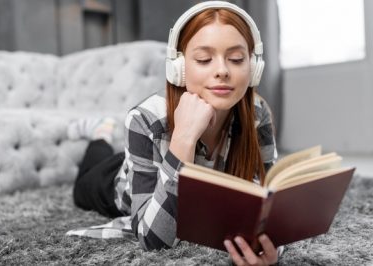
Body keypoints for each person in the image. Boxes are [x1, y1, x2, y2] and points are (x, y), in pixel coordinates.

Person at [70, 1, 280, 265]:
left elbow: (268, 202)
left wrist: (269, 245)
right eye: (204, 59)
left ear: (253, 67)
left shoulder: (257, 114)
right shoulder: (145, 119)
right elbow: (154, 239)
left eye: (236, 59)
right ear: (178, 68)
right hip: (113, 181)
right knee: (83, 183)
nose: (222, 71)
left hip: (156, 169)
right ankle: (99, 133)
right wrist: (184, 137)